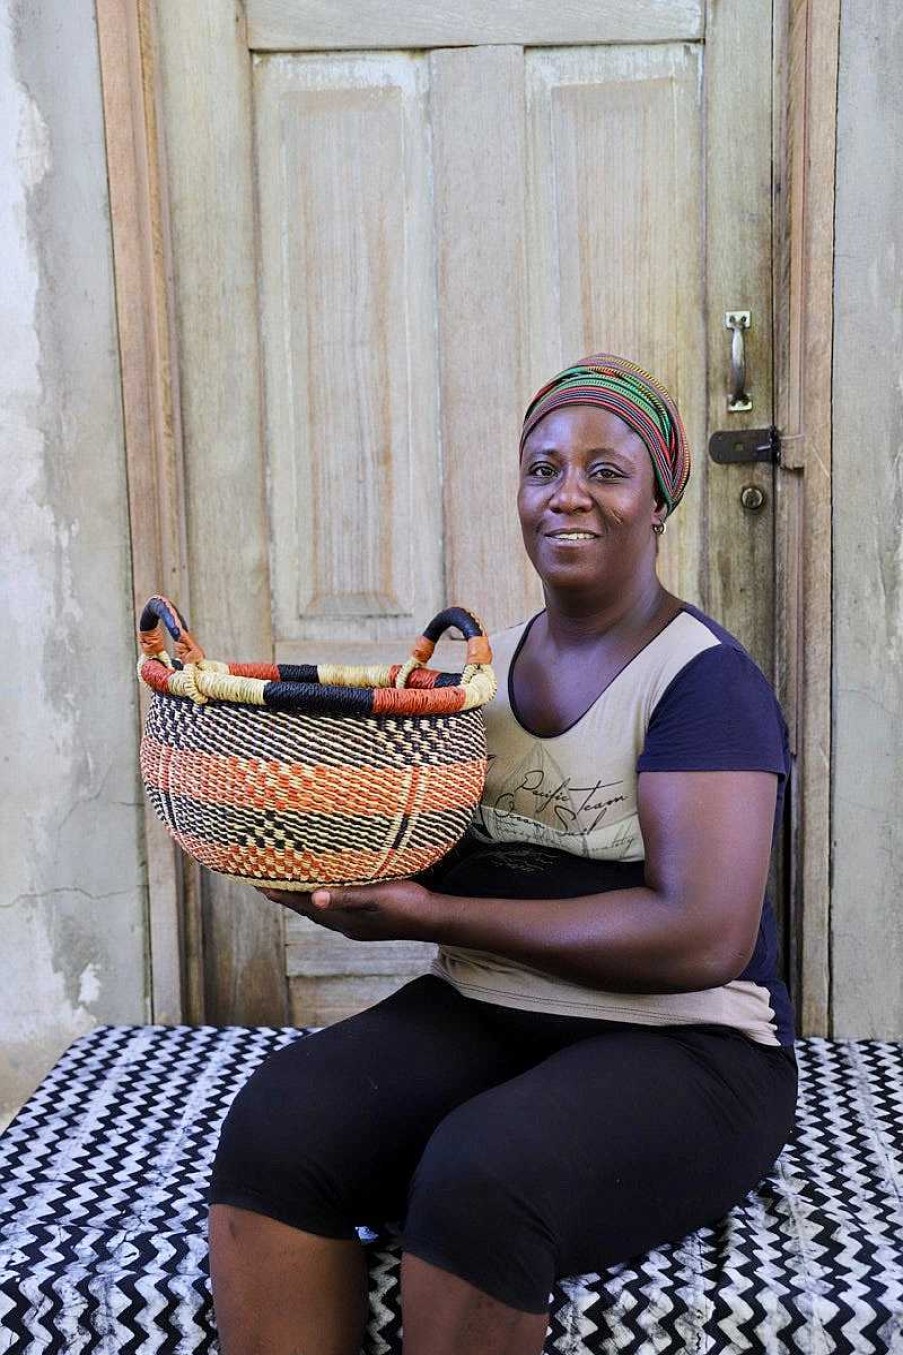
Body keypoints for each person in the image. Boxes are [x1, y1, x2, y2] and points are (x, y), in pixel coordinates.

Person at [206, 353, 798, 1355]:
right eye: (542, 468)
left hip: (692, 1046)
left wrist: (433, 919)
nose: (569, 493)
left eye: (606, 469)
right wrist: (326, 878)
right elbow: (422, 866)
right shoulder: (480, 677)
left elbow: (702, 936)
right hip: (493, 1005)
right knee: (279, 1123)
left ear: (659, 500)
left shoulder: (705, 684)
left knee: (483, 1174)